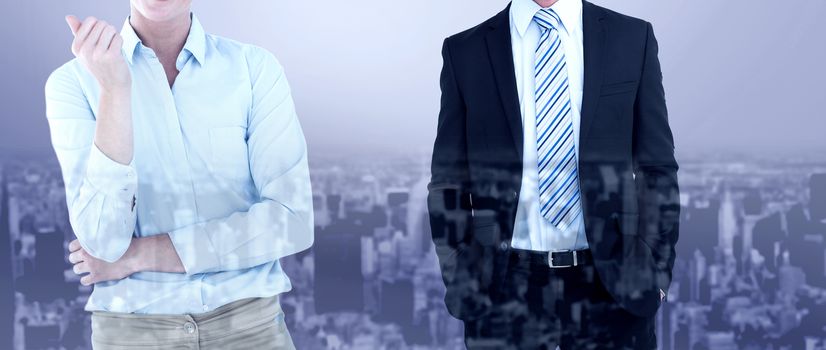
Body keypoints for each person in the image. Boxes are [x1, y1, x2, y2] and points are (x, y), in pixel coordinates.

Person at [44, 1, 313, 348]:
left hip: (251, 330)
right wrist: (114, 90)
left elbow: (291, 221)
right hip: (133, 334)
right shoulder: (73, 83)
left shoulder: (253, 69)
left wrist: (138, 257)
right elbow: (103, 241)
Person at [427, 0, 680, 348]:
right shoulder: (465, 51)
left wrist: (657, 271)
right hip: (502, 288)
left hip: (614, 285)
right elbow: (448, 180)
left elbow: (657, 167)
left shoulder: (631, 38)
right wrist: (460, 273)